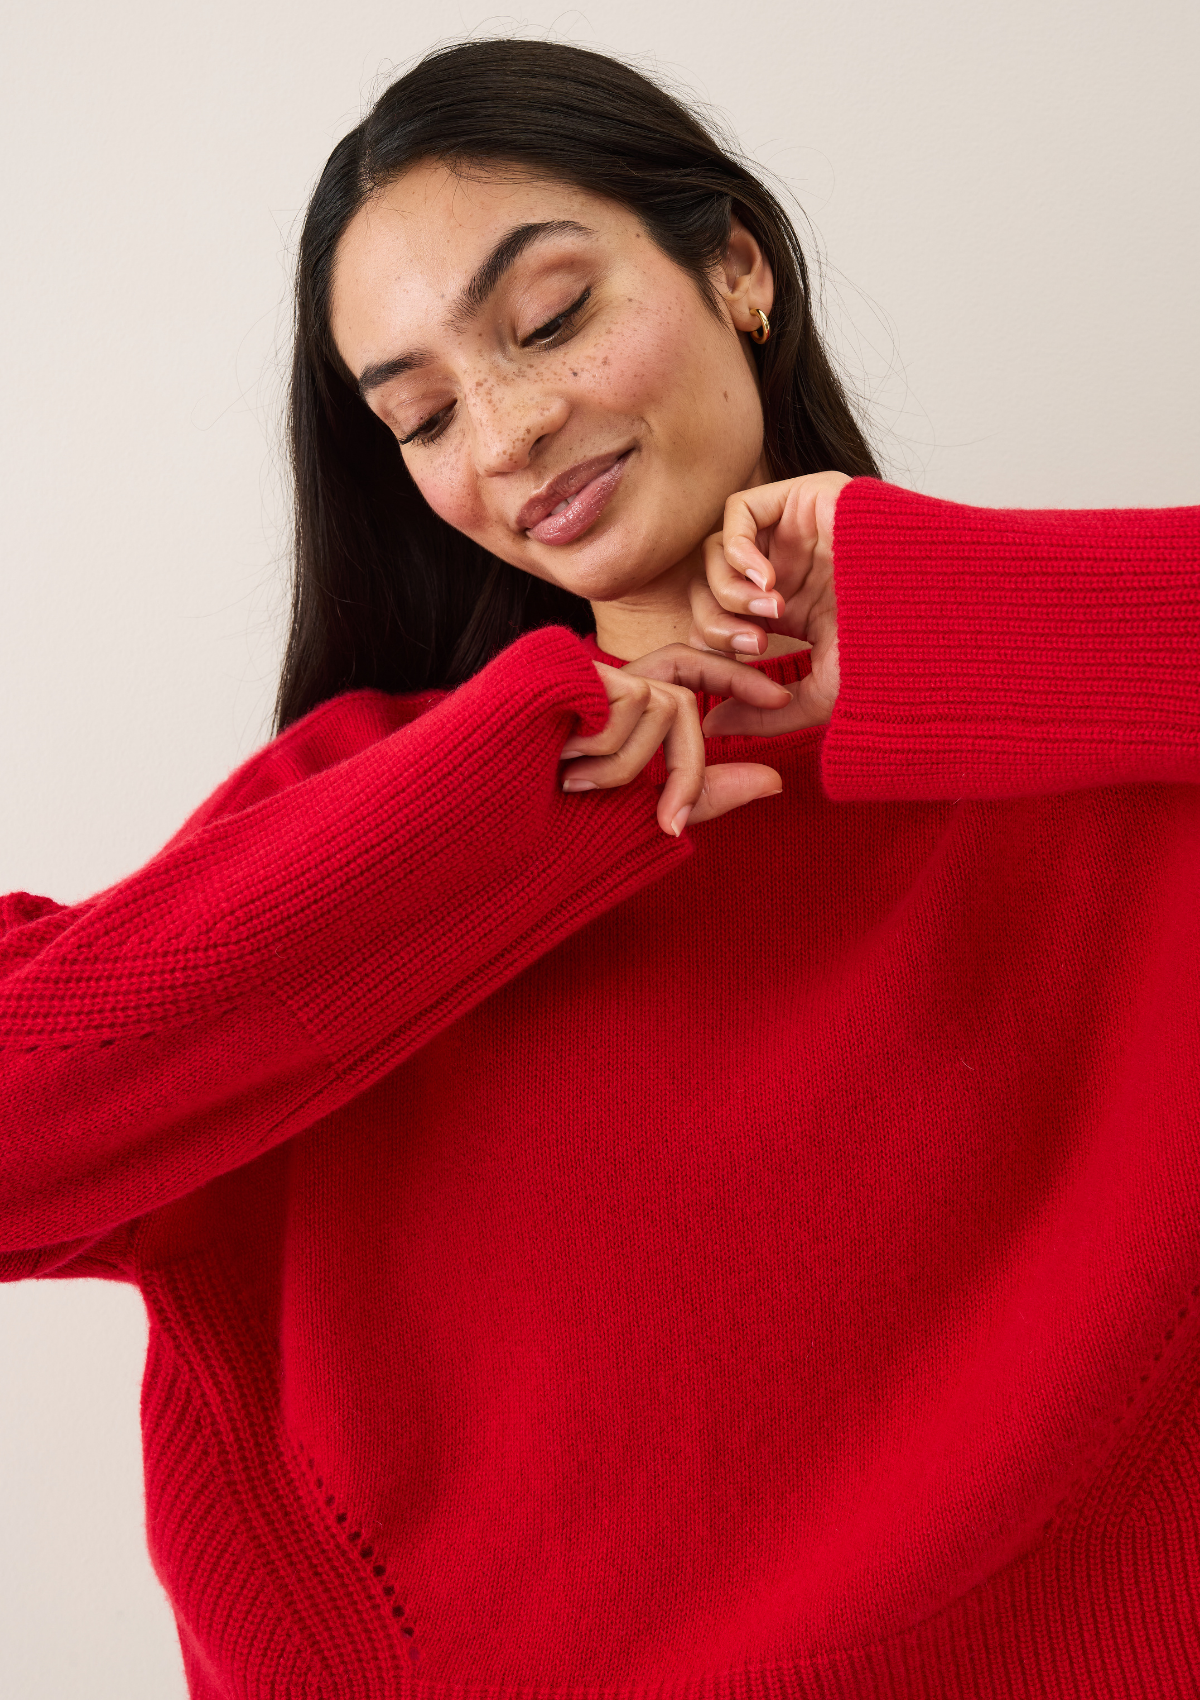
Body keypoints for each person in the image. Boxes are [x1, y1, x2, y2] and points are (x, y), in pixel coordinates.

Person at [3, 34, 1199, 1700]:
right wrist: (496, 814)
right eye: (417, 414)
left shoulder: (1107, 764)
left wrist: (958, 620)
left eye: (552, 317)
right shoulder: (372, 831)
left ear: (735, 266)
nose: (507, 429)